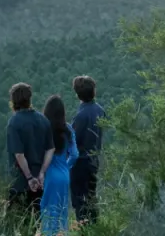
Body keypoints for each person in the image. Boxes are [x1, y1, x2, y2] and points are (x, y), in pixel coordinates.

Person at [6, 82, 54, 216]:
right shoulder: (43, 120)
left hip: (20, 183)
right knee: (36, 223)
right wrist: (42, 173)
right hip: (40, 183)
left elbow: (19, 154)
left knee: (16, 224)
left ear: (13, 101)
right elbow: (50, 149)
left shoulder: (14, 123)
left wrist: (29, 177)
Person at [70, 75, 106, 226]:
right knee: (91, 196)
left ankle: (84, 228)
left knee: (80, 200)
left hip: (80, 163)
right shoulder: (100, 110)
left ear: (77, 94)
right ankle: (95, 227)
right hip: (94, 159)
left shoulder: (80, 115)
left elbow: (73, 141)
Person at [40, 95, 78, 235]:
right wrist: (66, 167)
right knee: (62, 212)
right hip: (64, 175)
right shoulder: (67, 129)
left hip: (48, 174)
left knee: (48, 211)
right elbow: (74, 154)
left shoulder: (44, 127)